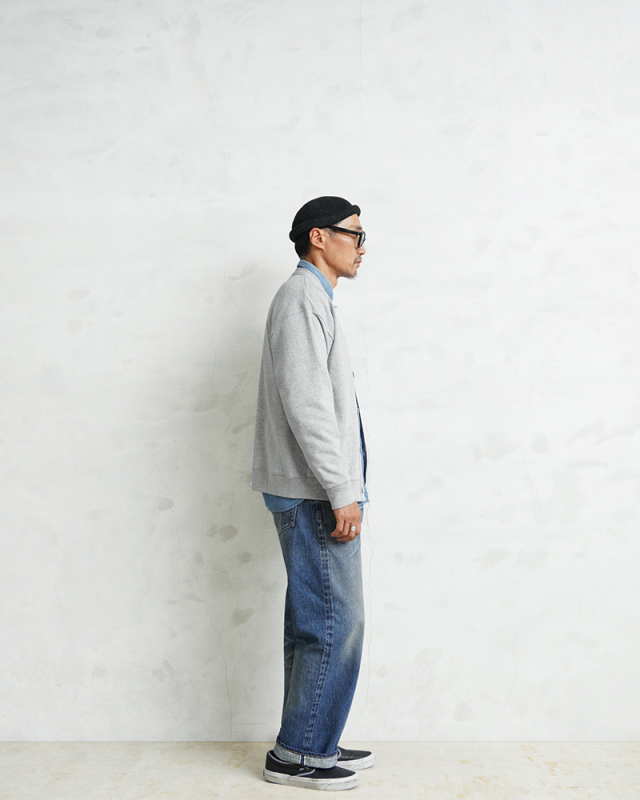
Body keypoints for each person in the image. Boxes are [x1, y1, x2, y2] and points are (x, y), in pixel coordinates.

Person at [252, 196, 373, 791]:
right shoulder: (302, 298)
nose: (363, 247)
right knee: (333, 623)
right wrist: (341, 489)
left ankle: (310, 734)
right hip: (314, 493)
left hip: (313, 490)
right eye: (356, 234)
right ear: (319, 237)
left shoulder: (313, 299)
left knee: (317, 621)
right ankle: (301, 752)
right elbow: (309, 407)